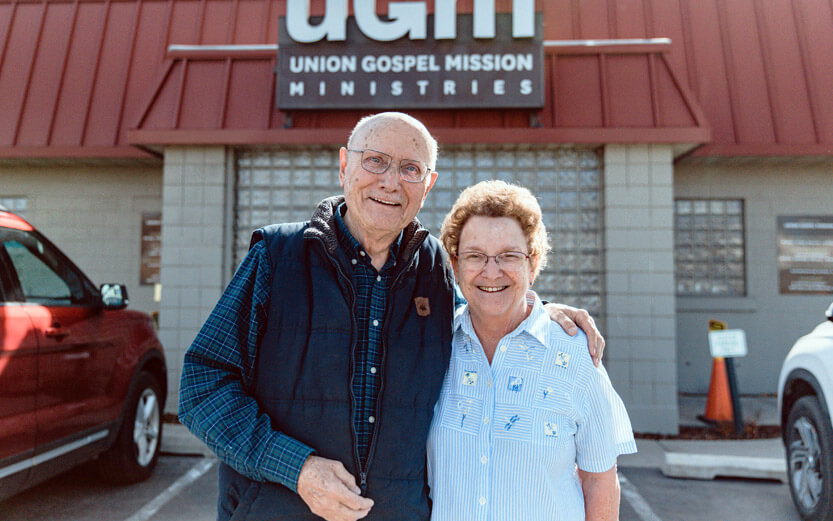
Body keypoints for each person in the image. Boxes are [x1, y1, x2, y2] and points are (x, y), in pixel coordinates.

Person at [178, 112, 606, 521]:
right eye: (376, 161)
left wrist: (536, 310)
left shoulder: (436, 267)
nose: (390, 181)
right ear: (344, 165)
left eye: (409, 168)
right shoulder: (276, 257)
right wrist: (297, 468)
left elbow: (482, 308)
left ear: (428, 184)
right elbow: (201, 387)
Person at [428, 180, 636, 521]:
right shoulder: (433, 348)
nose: (491, 271)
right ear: (455, 265)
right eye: (475, 256)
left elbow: (599, 482)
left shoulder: (576, 356)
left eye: (509, 256)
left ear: (533, 263)